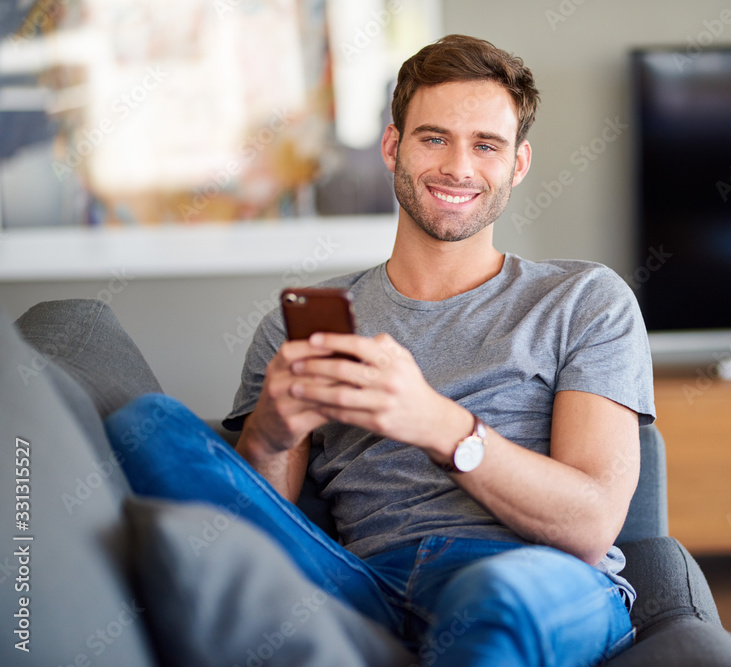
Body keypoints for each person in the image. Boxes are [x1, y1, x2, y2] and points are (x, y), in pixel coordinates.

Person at [105, 34, 655, 666]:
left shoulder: (583, 299)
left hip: (532, 577)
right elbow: (251, 529)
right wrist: (272, 435)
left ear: (518, 164)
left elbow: (590, 525)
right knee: (145, 427)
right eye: (434, 138)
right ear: (393, 146)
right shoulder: (300, 325)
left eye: (486, 145)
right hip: (361, 585)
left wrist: (438, 425)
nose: (458, 167)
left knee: (494, 598)